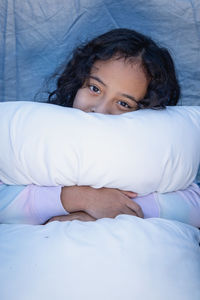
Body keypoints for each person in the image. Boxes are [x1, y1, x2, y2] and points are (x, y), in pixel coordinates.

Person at [0, 28, 200, 227]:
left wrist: (108, 210)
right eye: (94, 88)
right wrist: (78, 199)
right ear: (78, 83)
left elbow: (193, 207)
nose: (100, 110)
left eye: (124, 103)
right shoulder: (42, 138)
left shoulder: (150, 158)